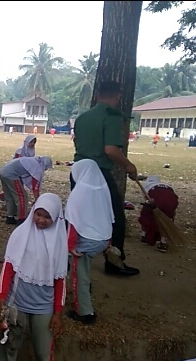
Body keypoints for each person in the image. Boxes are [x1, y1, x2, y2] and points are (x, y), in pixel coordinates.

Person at [0, 193, 67, 361]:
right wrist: (2, 300)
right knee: (10, 344)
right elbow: (8, 268)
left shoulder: (60, 242)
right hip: (17, 301)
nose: (41, 220)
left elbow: (61, 280)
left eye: (47, 217)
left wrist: (58, 313)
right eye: (38, 214)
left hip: (44, 306)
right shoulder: (21, 234)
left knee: (44, 352)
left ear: (56, 218)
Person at [73, 80, 140, 276]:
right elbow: (110, 150)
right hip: (98, 173)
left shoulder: (82, 118)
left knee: (78, 216)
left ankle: (70, 257)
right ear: (117, 96)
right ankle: (114, 262)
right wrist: (128, 165)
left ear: (98, 94)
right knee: (115, 218)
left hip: (78, 171)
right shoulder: (111, 117)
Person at [65, 160, 113, 325]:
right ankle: (83, 289)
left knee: (79, 273)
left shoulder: (78, 194)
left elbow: (73, 222)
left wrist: (70, 247)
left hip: (87, 241)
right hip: (103, 238)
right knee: (82, 269)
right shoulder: (103, 189)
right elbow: (109, 216)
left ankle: (85, 312)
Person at [0, 156, 53, 225]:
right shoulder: (38, 168)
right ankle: (21, 218)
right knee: (22, 197)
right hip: (11, 174)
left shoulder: (33, 161)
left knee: (9, 195)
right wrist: (37, 200)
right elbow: (35, 187)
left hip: (3, 171)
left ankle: (10, 217)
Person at [0, 135, 37, 206]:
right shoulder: (20, 151)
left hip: (23, 173)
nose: (32, 144)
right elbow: (17, 161)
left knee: (17, 190)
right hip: (15, 173)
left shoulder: (31, 151)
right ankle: (0, 197)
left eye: (34, 142)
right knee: (16, 190)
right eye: (31, 142)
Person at [139, 175, 178, 253]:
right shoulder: (166, 185)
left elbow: (147, 199)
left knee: (145, 215)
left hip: (156, 199)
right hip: (172, 200)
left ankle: (145, 236)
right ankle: (164, 242)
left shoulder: (146, 185)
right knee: (167, 220)